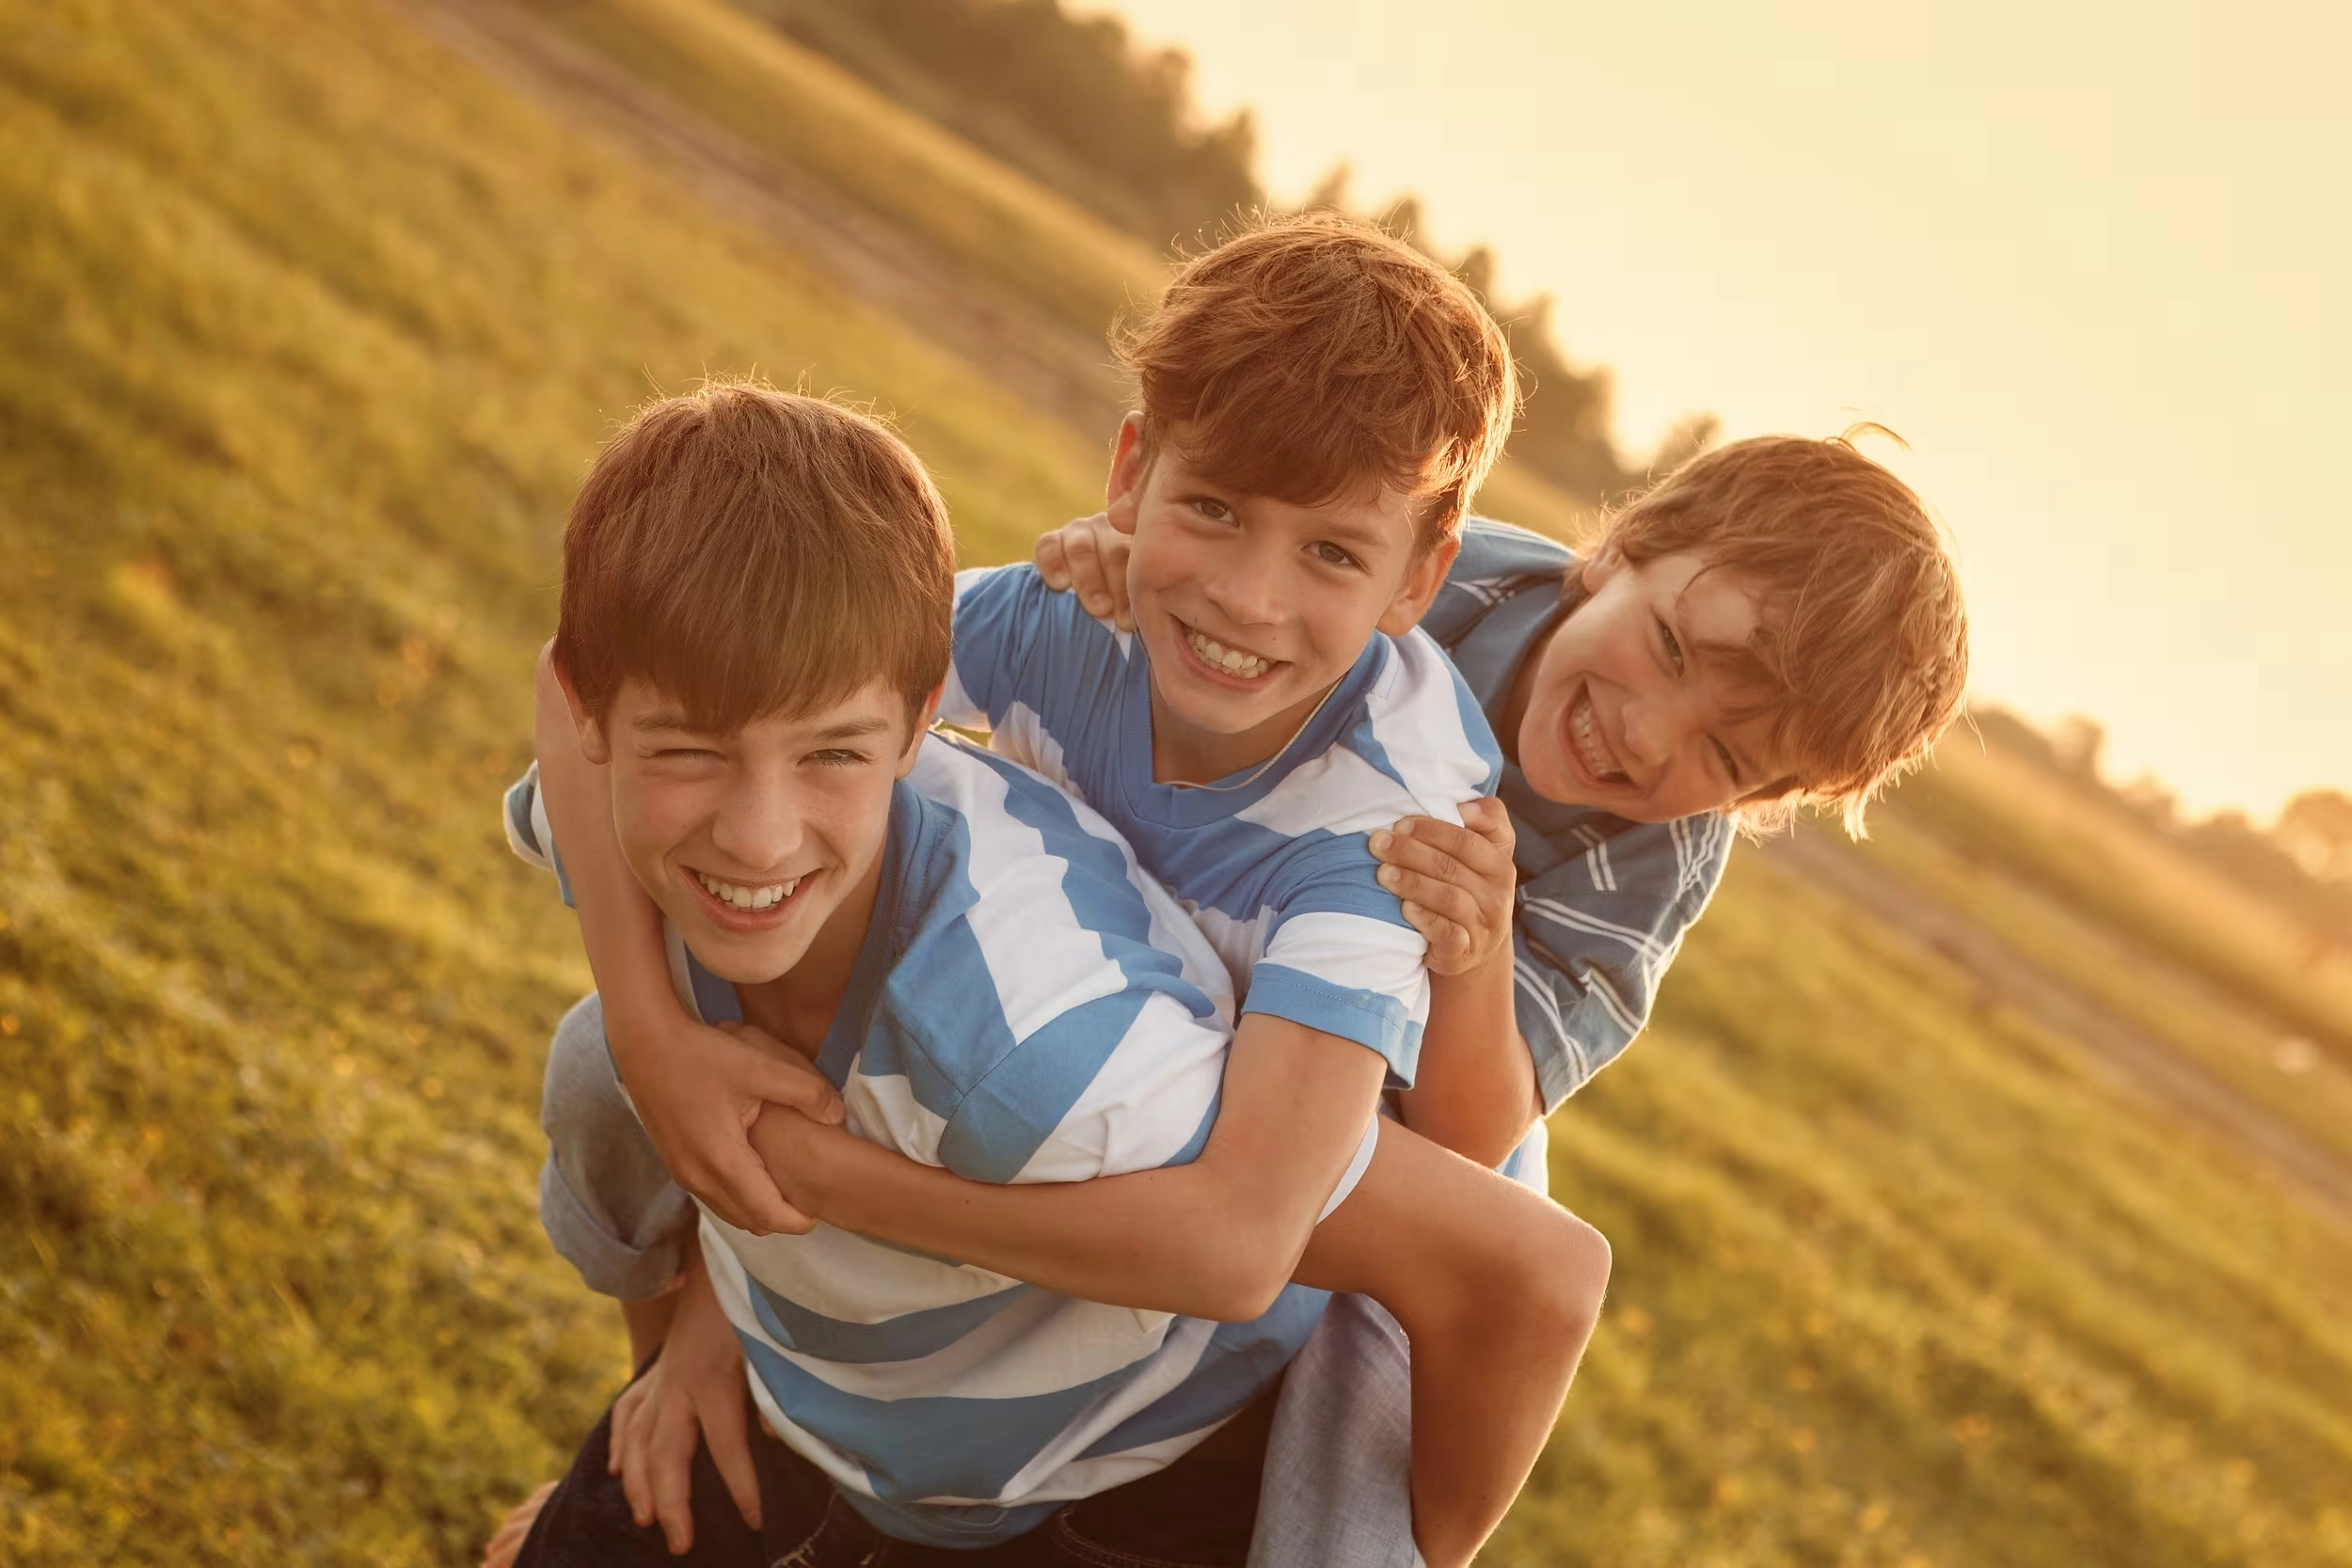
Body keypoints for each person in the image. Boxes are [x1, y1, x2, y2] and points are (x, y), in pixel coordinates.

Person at [501, 378, 1609, 1568]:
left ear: (1416, 579)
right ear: (1131, 473)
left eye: (1329, 550)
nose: (1249, 595)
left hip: (1154, 1343)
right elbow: (583, 682)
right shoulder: (1045, 621)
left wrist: (810, 1172)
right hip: (873, 1316)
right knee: (598, 1060)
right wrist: (652, 1042)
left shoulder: (1381, 844)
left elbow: (1308, 1245)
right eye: (1215, 509)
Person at [1034, 424, 1973, 1563]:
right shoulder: (1434, 580)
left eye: (1727, 758)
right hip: (1219, 880)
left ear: (1763, 798)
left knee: (1435, 1303)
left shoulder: (1655, 852)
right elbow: (1228, 608)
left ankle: (1343, 1537)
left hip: (1420, 1048)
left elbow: (1476, 1131)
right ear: (1620, 550)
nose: (1645, 737)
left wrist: (1475, 954)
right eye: (1669, 647)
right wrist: (1116, 579)